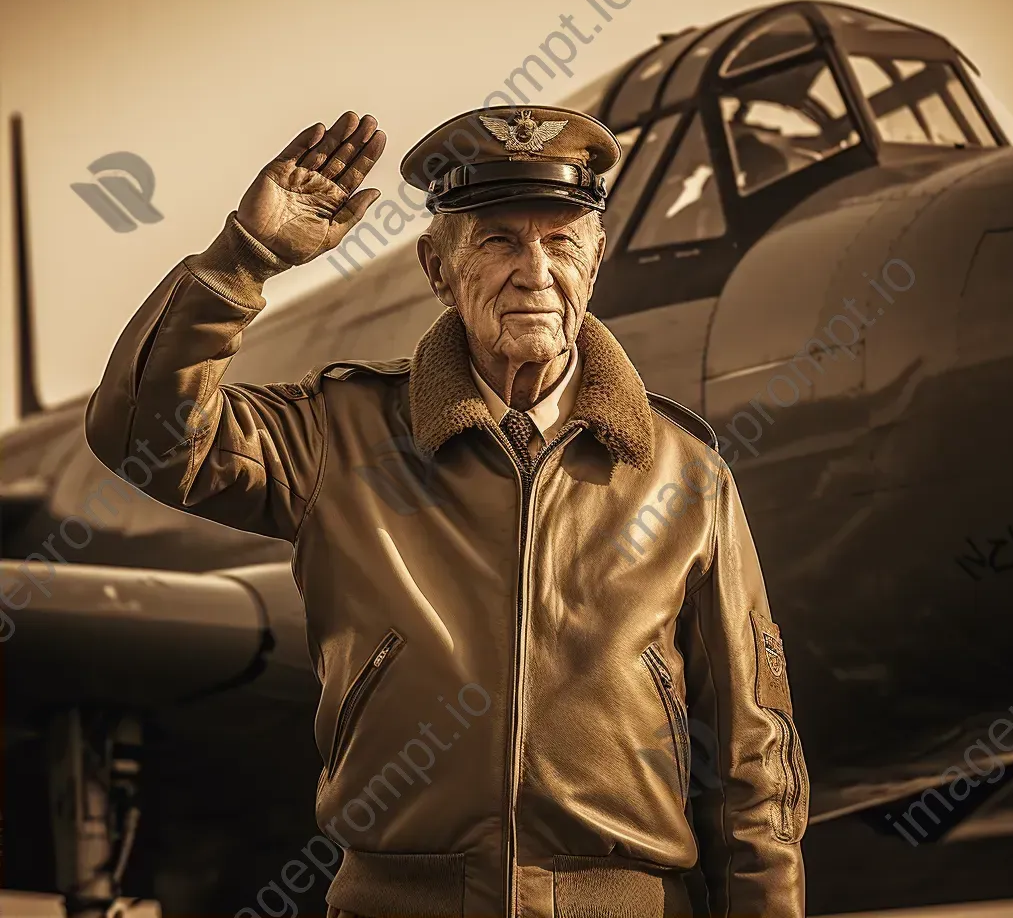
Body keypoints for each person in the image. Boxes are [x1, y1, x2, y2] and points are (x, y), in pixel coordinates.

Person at [85, 104, 808, 917]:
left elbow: (754, 759)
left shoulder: (689, 476)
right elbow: (143, 434)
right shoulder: (338, 433)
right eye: (498, 240)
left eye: (561, 241)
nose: (534, 271)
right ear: (438, 266)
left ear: (595, 263)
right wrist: (242, 261)